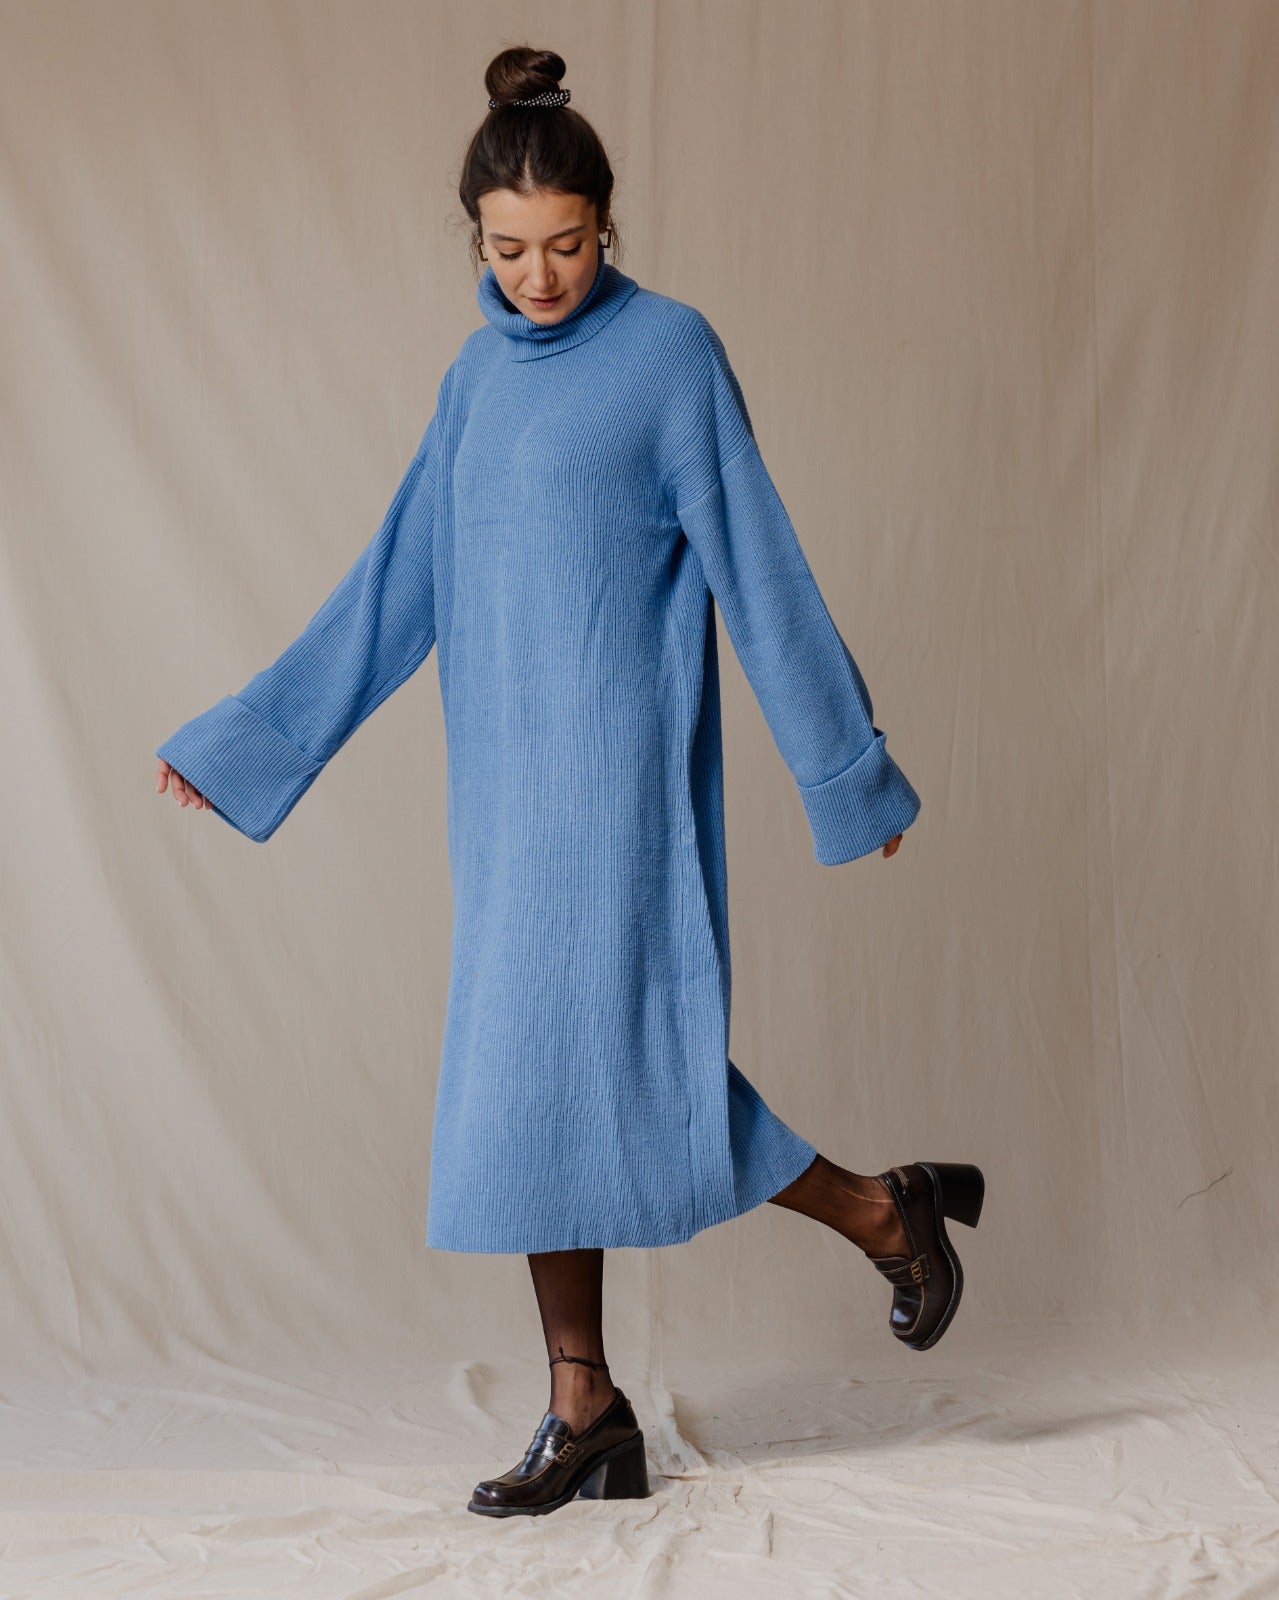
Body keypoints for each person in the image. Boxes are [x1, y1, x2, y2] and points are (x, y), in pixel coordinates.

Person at [154, 45, 984, 1518]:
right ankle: (644, 1368)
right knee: (564, 1083)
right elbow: (398, 581)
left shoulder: (669, 355)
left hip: (618, 793)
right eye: (509, 250)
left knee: (594, 1070)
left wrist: (847, 772)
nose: (540, 276)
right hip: (503, 797)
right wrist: (249, 745)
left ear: (610, 222)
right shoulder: (475, 380)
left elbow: (762, 569)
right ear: (473, 237)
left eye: (569, 244)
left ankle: (828, 1244)